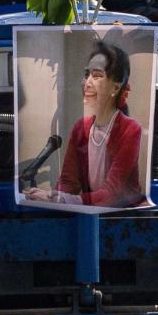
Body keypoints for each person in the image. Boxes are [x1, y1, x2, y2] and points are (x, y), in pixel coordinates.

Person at [25, 42, 144, 208]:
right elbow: (68, 182)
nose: (87, 83)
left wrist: (58, 199)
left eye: (96, 76)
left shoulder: (130, 129)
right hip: (92, 217)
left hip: (126, 218)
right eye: (86, 74)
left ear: (115, 87)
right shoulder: (81, 128)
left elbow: (111, 195)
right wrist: (54, 195)